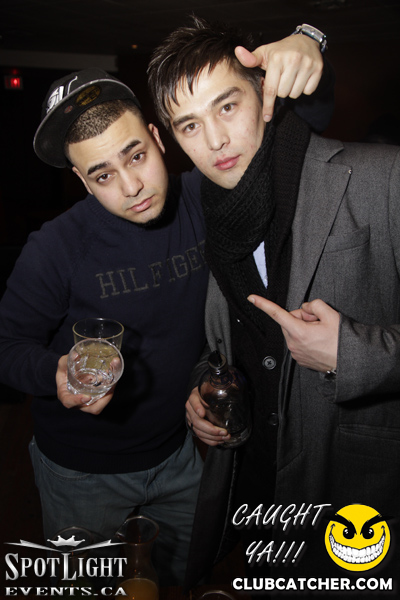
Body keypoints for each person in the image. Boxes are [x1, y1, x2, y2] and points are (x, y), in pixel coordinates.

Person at [0, 31, 330, 587]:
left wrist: (309, 45)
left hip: (180, 457)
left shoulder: (205, 198)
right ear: (81, 180)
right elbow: (6, 347)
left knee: (183, 579)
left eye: (136, 156)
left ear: (157, 138)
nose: (132, 187)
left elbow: (288, 145)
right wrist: (53, 372)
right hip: (80, 472)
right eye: (103, 175)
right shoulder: (54, 249)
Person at [147, 16, 400, 595]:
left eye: (227, 106)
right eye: (191, 125)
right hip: (262, 495)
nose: (215, 141)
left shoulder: (383, 178)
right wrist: (205, 388)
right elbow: (229, 341)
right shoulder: (209, 221)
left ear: (264, 94)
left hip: (358, 494)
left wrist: (353, 352)